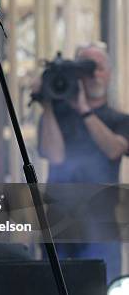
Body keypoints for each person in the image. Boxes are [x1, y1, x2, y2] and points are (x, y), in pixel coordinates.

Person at [36, 43, 129, 282]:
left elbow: (114, 149)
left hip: (102, 229)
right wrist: (47, 104)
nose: (92, 75)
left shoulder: (119, 120)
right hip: (59, 229)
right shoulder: (57, 114)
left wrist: (84, 109)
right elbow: (53, 154)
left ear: (108, 74)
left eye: (96, 68)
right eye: (85, 69)